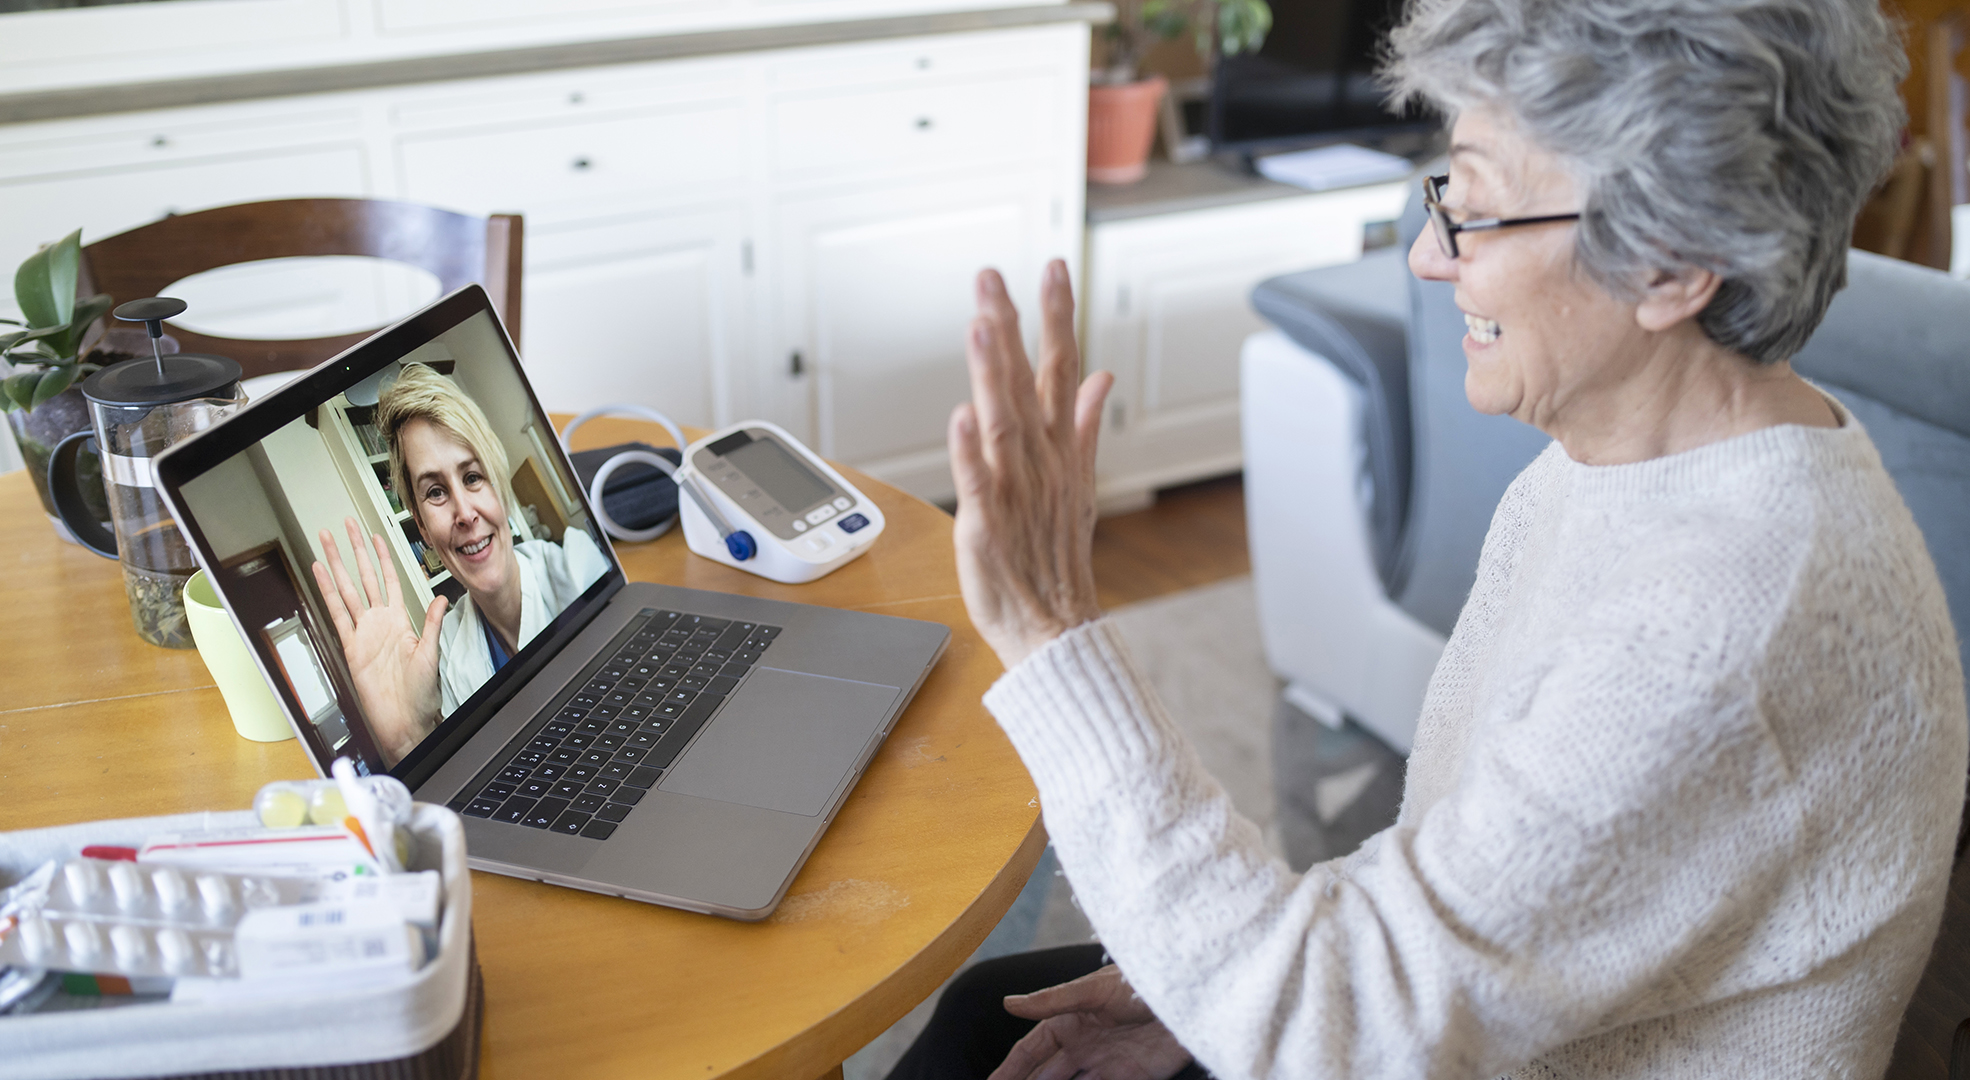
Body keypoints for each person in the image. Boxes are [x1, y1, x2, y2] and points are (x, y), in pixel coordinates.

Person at [893, 0, 1970, 1077]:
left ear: (1671, 265)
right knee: (991, 1016)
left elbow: (1331, 1038)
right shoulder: (1624, 457)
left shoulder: (1720, 629)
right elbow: (1484, 864)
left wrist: (1051, 632)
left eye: (1478, 212)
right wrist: (1199, 991)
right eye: (1441, 195)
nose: (1424, 257)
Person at [311, 363, 607, 765]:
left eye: (472, 477)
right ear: (422, 527)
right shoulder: (447, 652)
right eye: (435, 492)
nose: (465, 513)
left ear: (498, 486)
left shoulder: (578, 569)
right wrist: (407, 742)